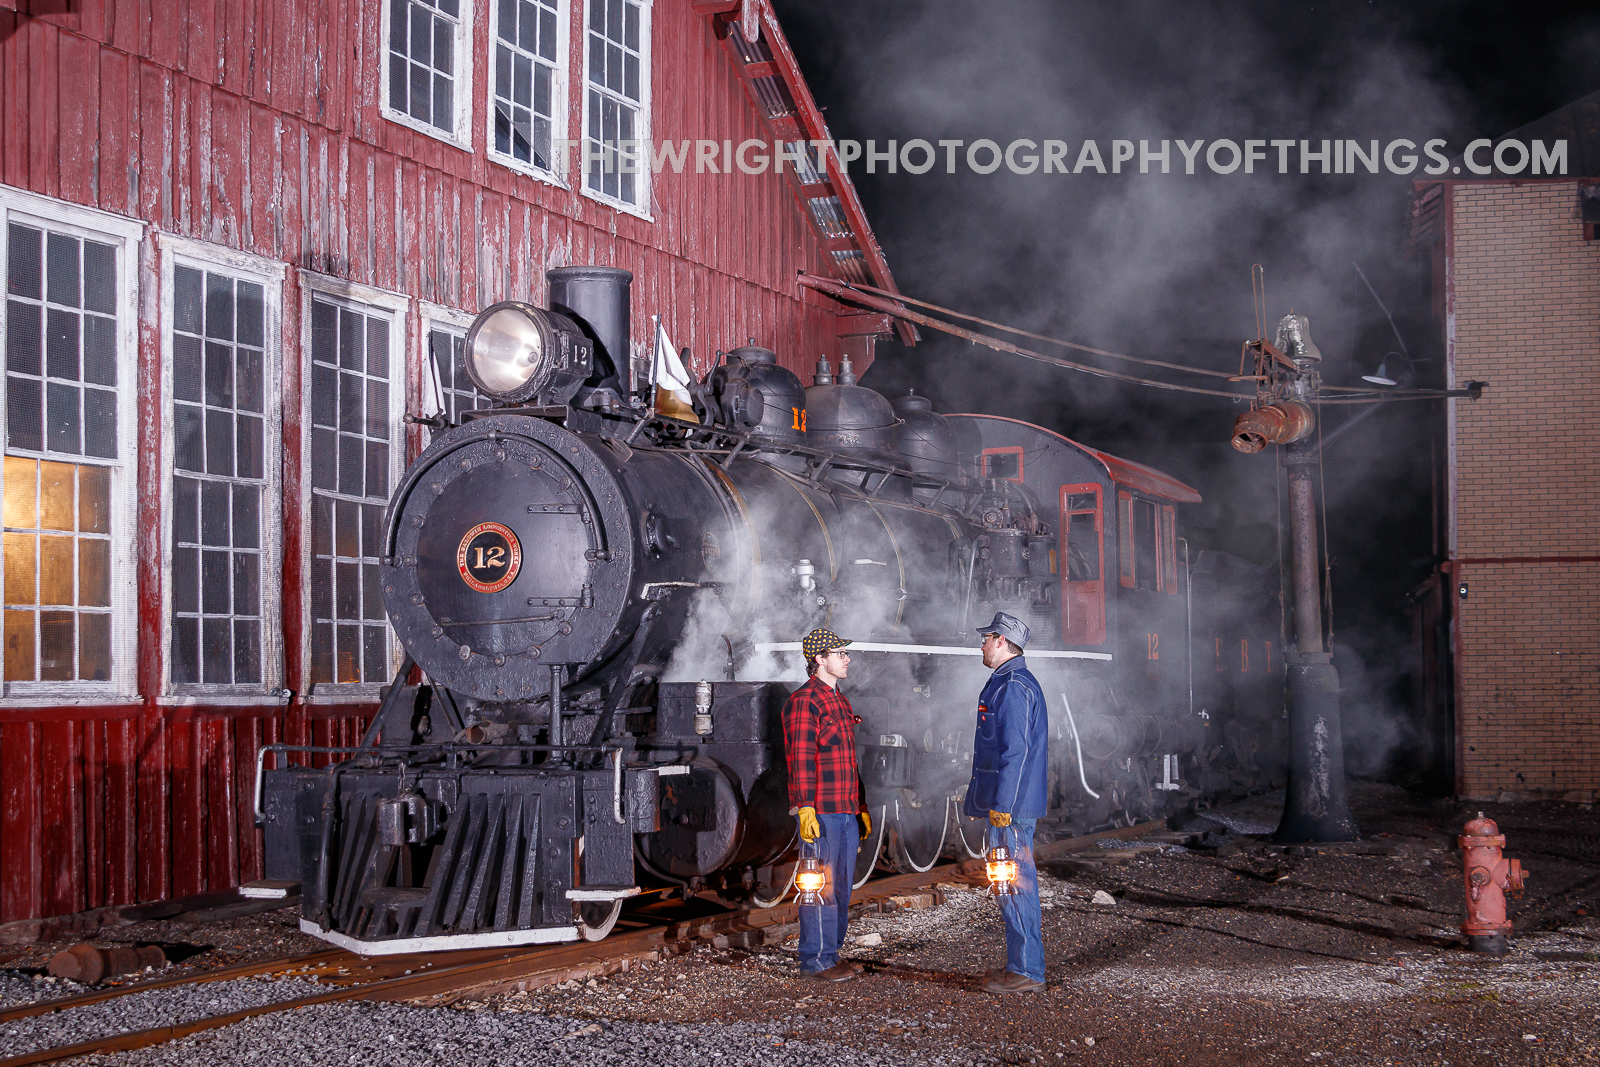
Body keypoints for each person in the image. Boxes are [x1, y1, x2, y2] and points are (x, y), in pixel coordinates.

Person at [964, 610, 1049, 994]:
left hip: (1010, 809)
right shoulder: (1009, 681)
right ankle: (1021, 965)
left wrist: (1003, 805)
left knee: (1013, 882)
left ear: (1001, 641)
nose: (981, 643)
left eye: (986, 638)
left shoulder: (1013, 684)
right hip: (1009, 805)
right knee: (1011, 882)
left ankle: (1028, 972)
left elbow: (1016, 751)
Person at [782, 627, 872, 981]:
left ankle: (831, 955)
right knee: (821, 887)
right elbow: (800, 759)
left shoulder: (840, 700)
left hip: (846, 811)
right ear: (819, 659)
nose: (847, 659)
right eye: (839, 653)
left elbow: (850, 762)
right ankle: (815, 961)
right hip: (822, 812)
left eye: (846, 653)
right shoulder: (805, 702)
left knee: (843, 887)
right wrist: (804, 807)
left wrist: (861, 807)